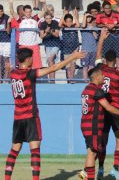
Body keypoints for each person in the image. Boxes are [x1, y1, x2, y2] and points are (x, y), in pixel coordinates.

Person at [5, 49, 84, 180]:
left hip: (18, 118)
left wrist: (9, 68)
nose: (33, 59)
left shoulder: (13, 74)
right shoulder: (30, 74)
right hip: (31, 116)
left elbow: (12, 70)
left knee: (14, 151)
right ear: (28, 59)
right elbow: (54, 67)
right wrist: (73, 57)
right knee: (35, 150)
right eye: (32, 57)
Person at [80, 67, 119, 180]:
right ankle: (88, 175)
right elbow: (108, 107)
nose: (104, 76)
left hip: (85, 124)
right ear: (95, 77)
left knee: (91, 151)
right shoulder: (97, 91)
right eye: (101, 75)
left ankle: (86, 173)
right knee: (93, 153)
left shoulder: (86, 89)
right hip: (93, 126)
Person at [96, 1, 119, 71]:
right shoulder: (99, 15)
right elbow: (97, 24)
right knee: (105, 56)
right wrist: (106, 25)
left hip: (117, 36)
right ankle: (106, 73)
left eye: (109, 8)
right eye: (106, 8)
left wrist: (114, 25)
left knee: (118, 57)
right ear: (103, 9)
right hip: (107, 36)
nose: (108, 10)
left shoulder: (117, 14)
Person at [38, 12, 60, 81]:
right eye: (47, 18)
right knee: (50, 62)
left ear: (52, 18)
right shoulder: (43, 24)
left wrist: (50, 31)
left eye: (50, 18)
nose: (48, 20)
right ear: (44, 18)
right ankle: (51, 80)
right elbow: (41, 36)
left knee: (50, 60)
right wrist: (46, 32)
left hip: (55, 44)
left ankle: (52, 80)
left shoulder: (55, 23)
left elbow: (57, 35)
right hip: (47, 45)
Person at [61, 12, 80, 83]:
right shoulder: (63, 27)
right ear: (65, 22)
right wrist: (64, 14)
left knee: (73, 64)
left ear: (72, 22)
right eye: (67, 22)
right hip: (66, 50)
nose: (69, 23)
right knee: (68, 66)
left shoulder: (74, 27)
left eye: (70, 21)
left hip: (74, 49)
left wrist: (74, 16)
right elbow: (59, 24)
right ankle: (69, 79)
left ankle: (72, 78)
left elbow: (78, 24)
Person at [0, 5, 11, 82]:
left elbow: (8, 31)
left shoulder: (6, 17)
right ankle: (0, 79)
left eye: (1, 11)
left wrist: (8, 23)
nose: (0, 12)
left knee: (6, 60)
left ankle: (6, 79)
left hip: (6, 41)